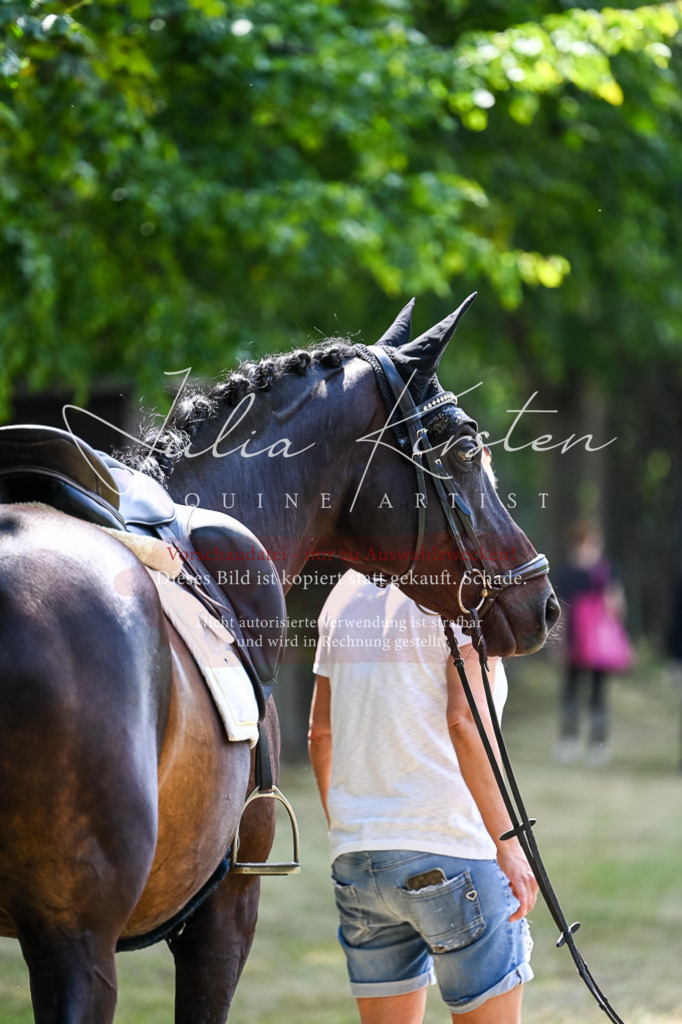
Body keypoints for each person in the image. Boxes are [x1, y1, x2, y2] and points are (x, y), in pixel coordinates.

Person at [308, 569, 538, 1023]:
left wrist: (348, 830)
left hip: (359, 861)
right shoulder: (464, 587)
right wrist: (509, 846)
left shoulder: (342, 595)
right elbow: (464, 721)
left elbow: (320, 733)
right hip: (452, 850)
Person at [555, 520, 627, 766]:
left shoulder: (607, 571)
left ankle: (598, 744)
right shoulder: (567, 573)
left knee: (598, 693)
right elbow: (562, 610)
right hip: (575, 639)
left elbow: (617, 607)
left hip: (598, 643)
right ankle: (569, 740)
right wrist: (560, 642)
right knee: (571, 691)